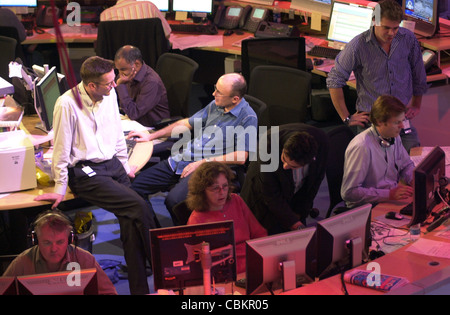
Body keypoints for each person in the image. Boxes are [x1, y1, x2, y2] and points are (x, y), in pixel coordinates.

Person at [34, 56, 157, 295]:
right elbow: (60, 148)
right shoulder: (66, 104)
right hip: (85, 173)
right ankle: (167, 267)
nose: (114, 86)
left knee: (131, 222)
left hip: (112, 165)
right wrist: (60, 185)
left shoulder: (109, 95)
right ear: (91, 86)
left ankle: (140, 291)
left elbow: (116, 132)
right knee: (139, 206)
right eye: (109, 83)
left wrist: (124, 164)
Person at [128, 72, 258, 225]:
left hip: (207, 167)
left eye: (219, 92)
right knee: (135, 188)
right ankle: (155, 233)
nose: (213, 93)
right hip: (184, 158)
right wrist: (151, 136)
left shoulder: (248, 118)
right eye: (215, 88)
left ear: (235, 99)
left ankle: (188, 237)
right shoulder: (217, 104)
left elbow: (241, 157)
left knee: (175, 201)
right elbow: (187, 123)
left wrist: (203, 162)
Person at [326, 0, 428, 153]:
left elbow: (418, 73)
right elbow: (334, 79)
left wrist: (417, 103)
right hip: (372, 122)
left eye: (395, 28)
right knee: (374, 171)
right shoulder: (358, 45)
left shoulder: (407, 39)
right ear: (374, 21)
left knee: (414, 165)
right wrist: (346, 117)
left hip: (402, 121)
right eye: (386, 28)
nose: (392, 33)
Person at [240, 123, 329, 235]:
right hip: (262, 198)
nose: (285, 166)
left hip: (294, 193)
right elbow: (271, 195)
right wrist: (294, 223)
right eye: (283, 159)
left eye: (293, 166)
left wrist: (300, 212)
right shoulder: (268, 146)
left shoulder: (322, 143)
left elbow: (315, 182)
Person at [2, 210, 117, 295]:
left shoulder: (84, 259)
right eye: (47, 242)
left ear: (70, 239)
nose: (54, 249)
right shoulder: (22, 263)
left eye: (60, 242)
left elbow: (109, 293)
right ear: (35, 240)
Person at [186, 162, 267, 274]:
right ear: (202, 191)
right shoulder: (196, 219)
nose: (222, 192)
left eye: (225, 186)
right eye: (215, 188)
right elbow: (199, 263)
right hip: (224, 272)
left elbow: (259, 233)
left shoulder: (236, 200)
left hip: (252, 263)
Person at [341, 95, 415, 209]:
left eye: (402, 121)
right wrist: (389, 194)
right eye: (396, 122)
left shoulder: (393, 136)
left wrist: (414, 179)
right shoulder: (361, 147)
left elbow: (406, 165)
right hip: (367, 208)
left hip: (388, 199)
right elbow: (349, 192)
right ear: (380, 122)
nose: (401, 126)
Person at [114, 45, 170, 127]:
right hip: (134, 121)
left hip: (151, 127)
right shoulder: (125, 75)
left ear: (136, 64)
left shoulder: (151, 82)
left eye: (123, 69)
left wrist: (121, 86)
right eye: (118, 69)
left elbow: (134, 113)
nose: (119, 74)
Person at [100, 0, 172, 38]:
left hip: (119, 64)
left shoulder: (105, 15)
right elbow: (167, 34)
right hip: (149, 63)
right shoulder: (149, 6)